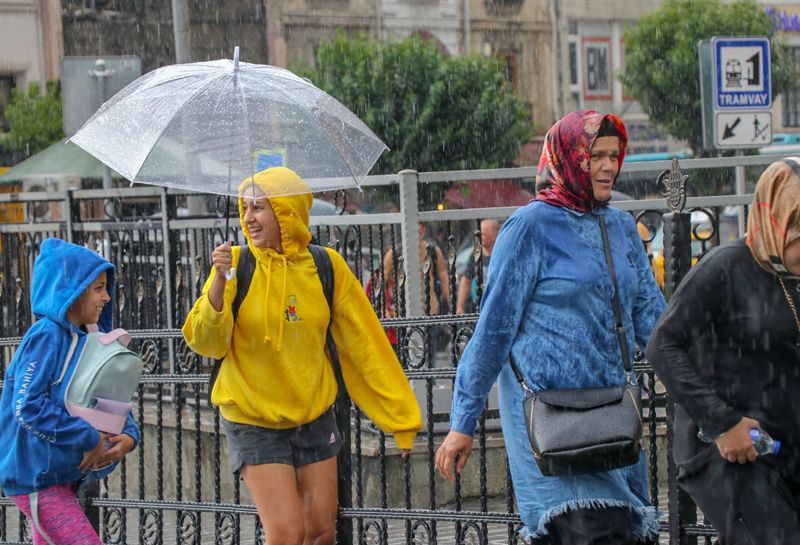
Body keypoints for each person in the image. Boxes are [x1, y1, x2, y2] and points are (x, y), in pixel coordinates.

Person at [435, 110, 666, 544]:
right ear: (568, 156)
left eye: (614, 155)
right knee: (595, 533)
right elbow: (493, 332)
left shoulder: (620, 227)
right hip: (553, 423)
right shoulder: (529, 227)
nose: (607, 166)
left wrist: (704, 381)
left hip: (614, 419)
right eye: (595, 154)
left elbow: (654, 322)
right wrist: (462, 422)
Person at [182, 167, 421, 545]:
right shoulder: (236, 264)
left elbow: (367, 344)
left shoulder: (327, 266)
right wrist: (217, 282)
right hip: (253, 417)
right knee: (289, 534)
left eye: (259, 208)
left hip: (313, 415)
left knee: (321, 533)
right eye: (245, 208)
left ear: (287, 211)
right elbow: (206, 342)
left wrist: (401, 419)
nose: (248, 218)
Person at [645, 158, 800, 544]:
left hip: (786, 448)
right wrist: (722, 422)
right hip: (731, 452)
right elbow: (663, 344)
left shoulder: (792, 277)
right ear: (774, 219)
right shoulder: (725, 268)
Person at [0, 238, 139, 545]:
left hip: (61, 476)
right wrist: (87, 437)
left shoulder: (91, 337)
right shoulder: (46, 336)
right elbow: (27, 406)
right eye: (98, 288)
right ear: (72, 290)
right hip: (36, 477)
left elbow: (108, 398)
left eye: (106, 288)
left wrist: (129, 436)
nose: (106, 296)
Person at [456, 218, 500, 314]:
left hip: (499, 306)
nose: (479, 237)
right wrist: (460, 306)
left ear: (495, 236)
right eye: (479, 234)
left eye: (483, 234)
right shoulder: (475, 255)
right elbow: (466, 280)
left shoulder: (502, 255)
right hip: (479, 308)